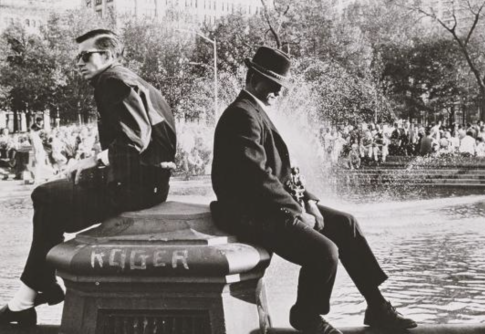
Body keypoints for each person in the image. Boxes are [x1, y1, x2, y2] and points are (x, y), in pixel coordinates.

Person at [210, 46, 416, 334]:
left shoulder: (254, 111)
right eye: (275, 85)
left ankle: (377, 306)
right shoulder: (241, 115)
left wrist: (310, 202)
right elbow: (255, 177)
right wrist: (295, 211)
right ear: (255, 79)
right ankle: (306, 314)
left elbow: (283, 170)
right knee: (325, 252)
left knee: (347, 224)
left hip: (269, 207)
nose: (279, 93)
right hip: (252, 214)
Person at [0, 29, 177, 326]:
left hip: (135, 186)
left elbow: (134, 140)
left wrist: (90, 160)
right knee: (51, 201)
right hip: (148, 181)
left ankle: (32, 294)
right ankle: (31, 294)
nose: (79, 62)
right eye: (77, 56)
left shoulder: (112, 81)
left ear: (107, 56)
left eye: (85, 55)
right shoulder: (130, 79)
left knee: (45, 197)